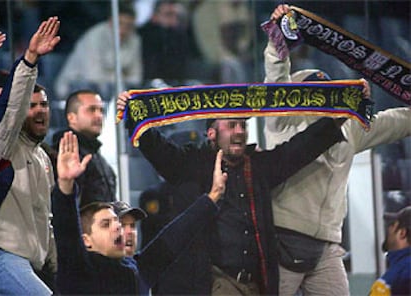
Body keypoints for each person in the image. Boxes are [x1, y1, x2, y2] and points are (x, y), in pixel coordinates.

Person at [118, 89, 350, 294]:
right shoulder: (191, 164)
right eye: (231, 125)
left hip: (257, 284)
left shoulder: (257, 166)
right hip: (216, 283)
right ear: (211, 133)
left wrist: (335, 121)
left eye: (243, 125)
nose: (239, 131)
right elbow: (159, 149)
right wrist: (134, 114)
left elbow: (297, 150)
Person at [263, 4, 411, 296]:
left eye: (328, 91)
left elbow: (398, 122)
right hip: (282, 238)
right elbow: (276, 77)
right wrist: (276, 39)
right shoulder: (282, 118)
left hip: (327, 247)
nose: (323, 96)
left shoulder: (349, 127)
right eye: (315, 91)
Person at [52, 131, 228, 294]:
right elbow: (66, 233)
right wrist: (65, 185)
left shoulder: (139, 269)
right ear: (86, 241)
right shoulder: (78, 271)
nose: (118, 228)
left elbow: (177, 234)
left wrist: (213, 196)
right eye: (106, 224)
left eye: (117, 222)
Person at [0, 17, 60, 295]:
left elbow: (45, 219)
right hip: (3, 257)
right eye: (30, 105)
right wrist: (30, 59)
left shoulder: (43, 157)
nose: (37, 111)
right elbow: (10, 113)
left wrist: (55, 265)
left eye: (43, 105)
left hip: (30, 262)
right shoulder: (6, 144)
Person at [54, 0, 142, 100]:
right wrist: (122, 74)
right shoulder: (94, 36)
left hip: (112, 91)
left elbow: (136, 78)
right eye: (120, 23)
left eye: (128, 25)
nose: (123, 30)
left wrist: (116, 77)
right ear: (110, 21)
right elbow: (93, 76)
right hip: (76, 87)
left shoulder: (135, 40)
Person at [52, 89, 117, 207]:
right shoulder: (60, 155)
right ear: (72, 117)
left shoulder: (99, 158)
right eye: (91, 110)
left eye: (101, 110)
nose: (99, 116)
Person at [138, 0, 199, 84]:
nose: (174, 20)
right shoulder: (144, 37)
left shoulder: (181, 37)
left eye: (177, 16)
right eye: (168, 15)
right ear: (154, 16)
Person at [369, 206, 411, 295]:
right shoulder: (400, 267)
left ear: (402, 233)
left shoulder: (407, 269)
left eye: (392, 225)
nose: (388, 230)